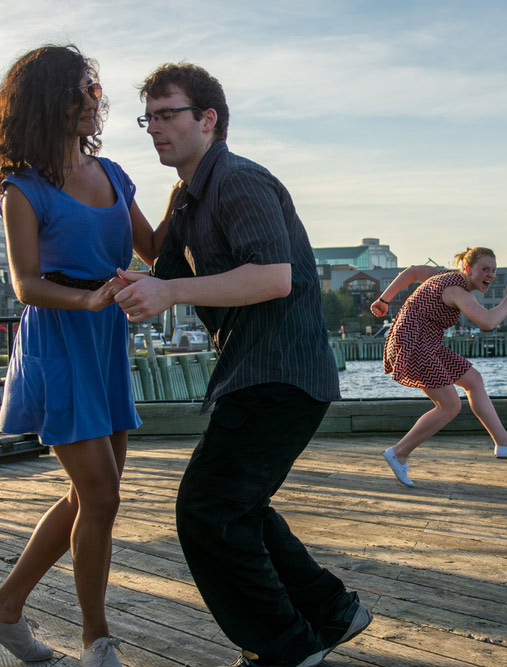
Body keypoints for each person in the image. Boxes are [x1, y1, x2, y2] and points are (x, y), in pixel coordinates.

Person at [110, 62, 371, 667]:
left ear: (209, 119)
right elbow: (164, 266)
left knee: (210, 508)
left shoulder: (238, 181)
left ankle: (285, 647)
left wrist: (168, 293)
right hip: (257, 373)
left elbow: (272, 278)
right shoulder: (189, 194)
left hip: (280, 372)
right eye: (147, 117)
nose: (154, 127)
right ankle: (332, 612)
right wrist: (115, 198)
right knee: (236, 505)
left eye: (167, 114)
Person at [0, 45, 165, 667]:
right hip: (59, 340)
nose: (95, 98)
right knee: (102, 497)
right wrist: (87, 304)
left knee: (93, 498)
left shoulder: (111, 173)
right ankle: (97, 641)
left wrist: (199, 181)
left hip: (106, 343)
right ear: (50, 99)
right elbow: (26, 283)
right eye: (83, 88)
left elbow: (157, 249)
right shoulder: (22, 190)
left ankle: (3, 610)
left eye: (95, 88)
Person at [369, 248, 507, 487]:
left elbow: (412, 272)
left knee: (473, 380)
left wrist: (384, 299)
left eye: (493, 270)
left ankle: (504, 443)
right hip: (414, 344)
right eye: (484, 269)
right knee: (449, 405)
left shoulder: (442, 275)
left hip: (424, 341)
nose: (490, 275)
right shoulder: (457, 291)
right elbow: (488, 321)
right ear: (468, 269)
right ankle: (398, 452)